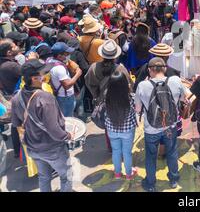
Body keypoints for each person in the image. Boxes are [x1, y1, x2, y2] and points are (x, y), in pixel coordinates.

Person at [11, 60, 73, 192]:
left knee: (44, 177)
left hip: (33, 148)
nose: (46, 76)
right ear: (34, 78)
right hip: (52, 148)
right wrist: (67, 135)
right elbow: (54, 129)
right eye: (43, 73)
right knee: (66, 176)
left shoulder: (16, 98)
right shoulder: (45, 98)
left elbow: (16, 124)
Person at [135, 58, 185, 192]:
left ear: (150, 70)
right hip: (170, 126)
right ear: (165, 69)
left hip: (151, 128)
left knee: (151, 156)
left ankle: (150, 183)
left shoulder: (142, 85)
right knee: (172, 152)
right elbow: (183, 99)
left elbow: (138, 109)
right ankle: (173, 179)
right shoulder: (175, 80)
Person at [85, 40, 131, 151]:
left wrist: (97, 95)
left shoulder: (93, 68)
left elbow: (89, 83)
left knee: (108, 125)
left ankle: (111, 148)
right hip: (120, 102)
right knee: (122, 124)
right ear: (115, 56)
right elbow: (128, 86)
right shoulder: (121, 69)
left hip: (103, 102)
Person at [105, 70, 138, 180]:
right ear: (125, 84)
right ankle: (129, 174)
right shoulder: (130, 98)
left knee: (116, 151)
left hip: (112, 129)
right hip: (127, 130)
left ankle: (117, 173)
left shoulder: (107, 97)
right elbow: (136, 110)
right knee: (127, 153)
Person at [46, 42, 82, 117]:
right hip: (65, 98)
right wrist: (78, 74)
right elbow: (67, 85)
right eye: (66, 54)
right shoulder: (59, 68)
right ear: (59, 56)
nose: (68, 55)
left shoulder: (49, 61)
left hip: (58, 94)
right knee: (67, 118)